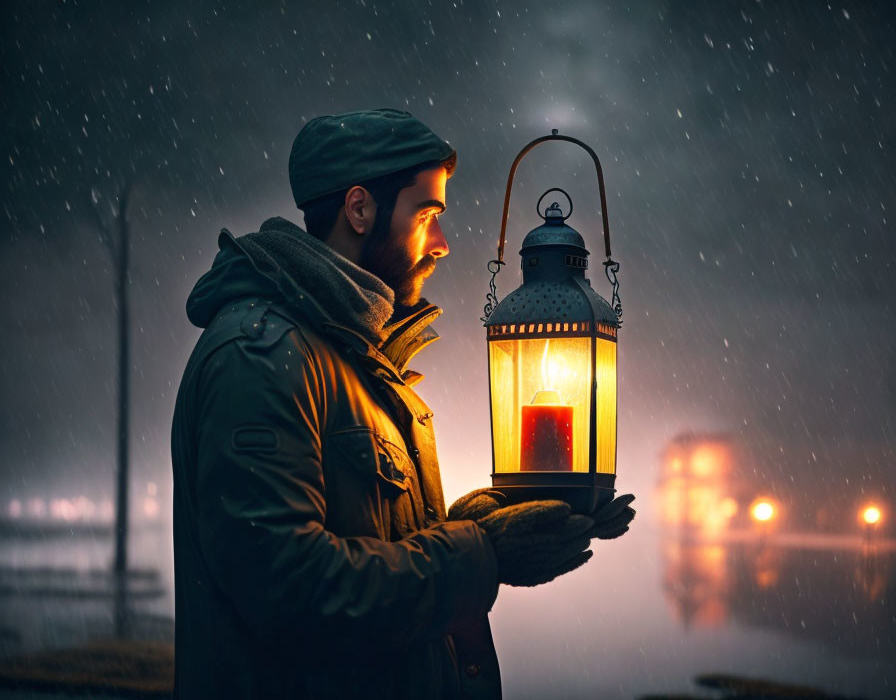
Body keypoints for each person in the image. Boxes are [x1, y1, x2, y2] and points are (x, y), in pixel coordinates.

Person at [170, 109, 635, 699]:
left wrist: (470, 526)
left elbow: (368, 548)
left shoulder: (354, 359)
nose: (441, 243)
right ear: (359, 209)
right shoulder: (261, 358)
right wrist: (481, 555)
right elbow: (289, 588)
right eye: (428, 214)